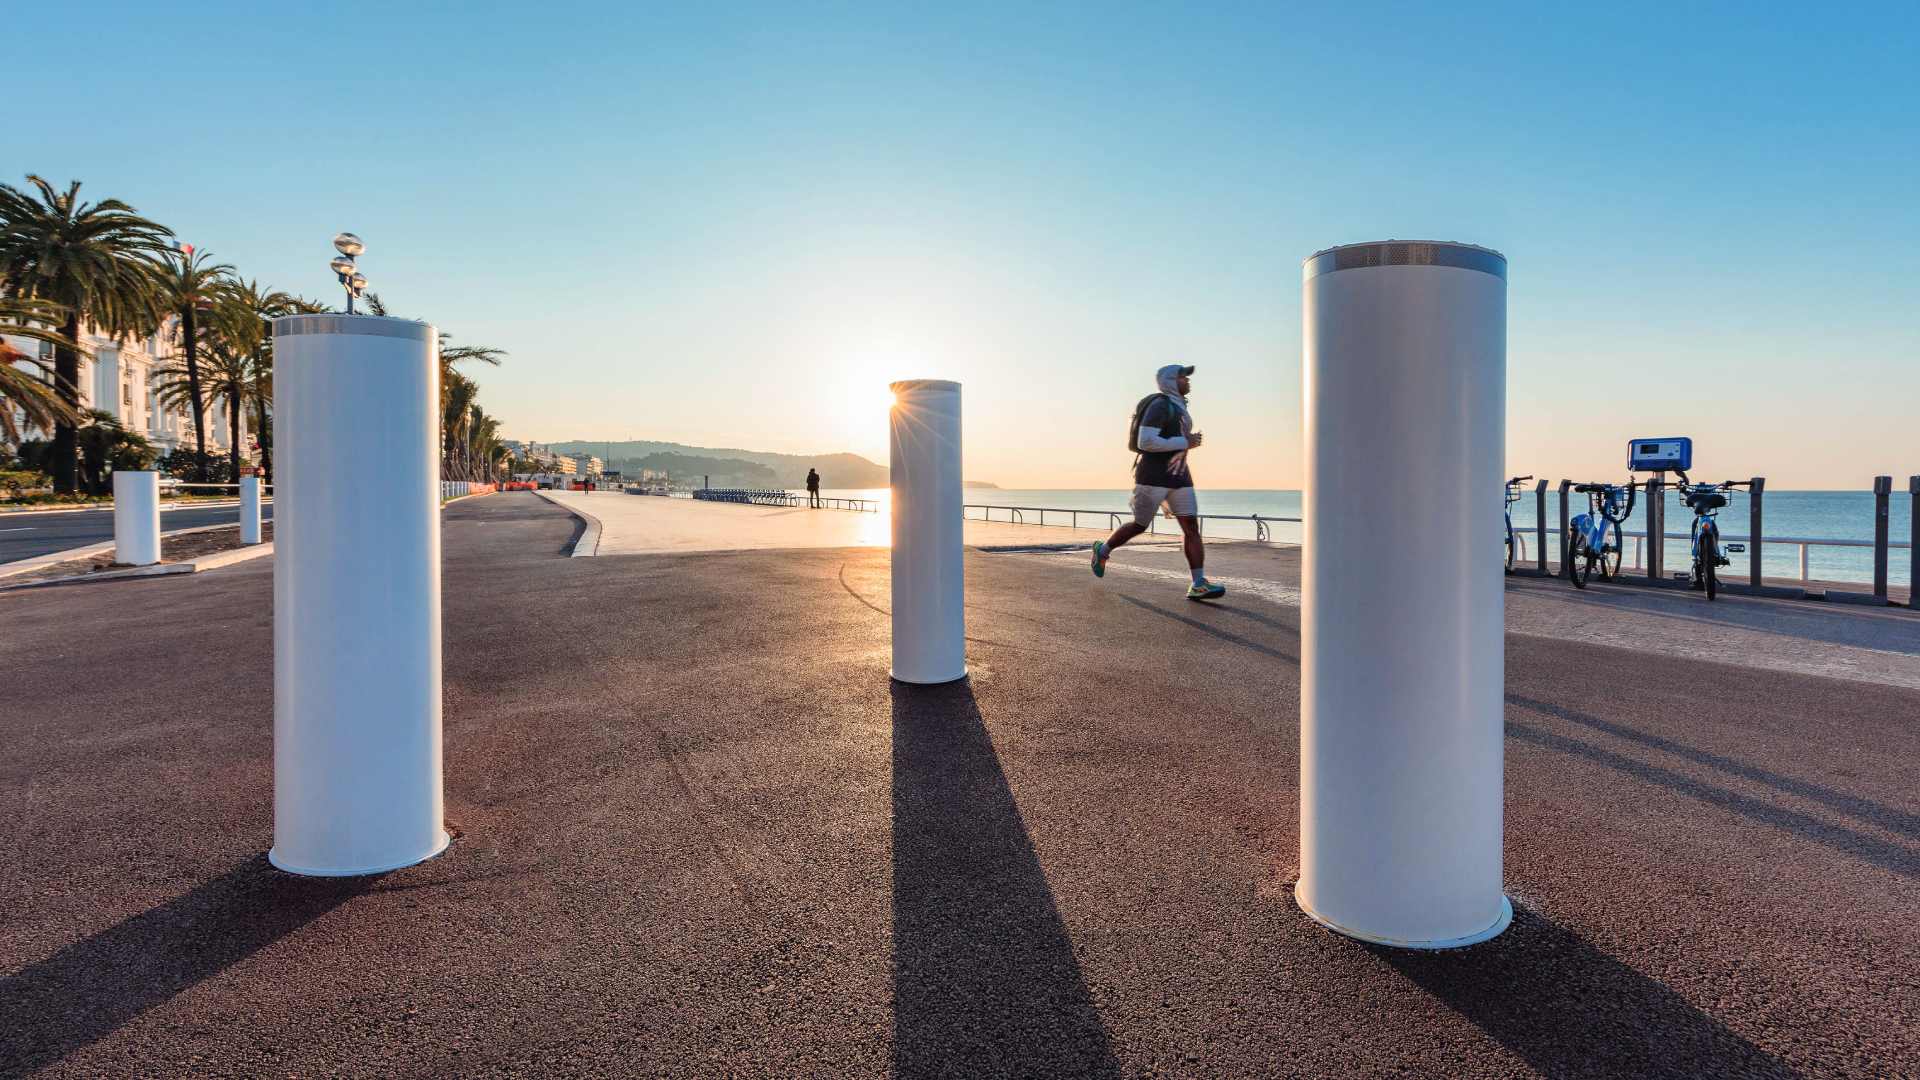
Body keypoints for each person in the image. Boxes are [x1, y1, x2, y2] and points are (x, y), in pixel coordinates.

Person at [1090, 364, 1225, 600]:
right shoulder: (1160, 405)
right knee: (1140, 525)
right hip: (1152, 476)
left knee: (1191, 527)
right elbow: (1146, 440)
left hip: (1180, 476)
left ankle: (1198, 583)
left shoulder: (1180, 407)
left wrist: (1186, 443)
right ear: (1172, 381)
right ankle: (1103, 550)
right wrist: (1186, 442)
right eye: (1184, 377)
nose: (1188, 381)